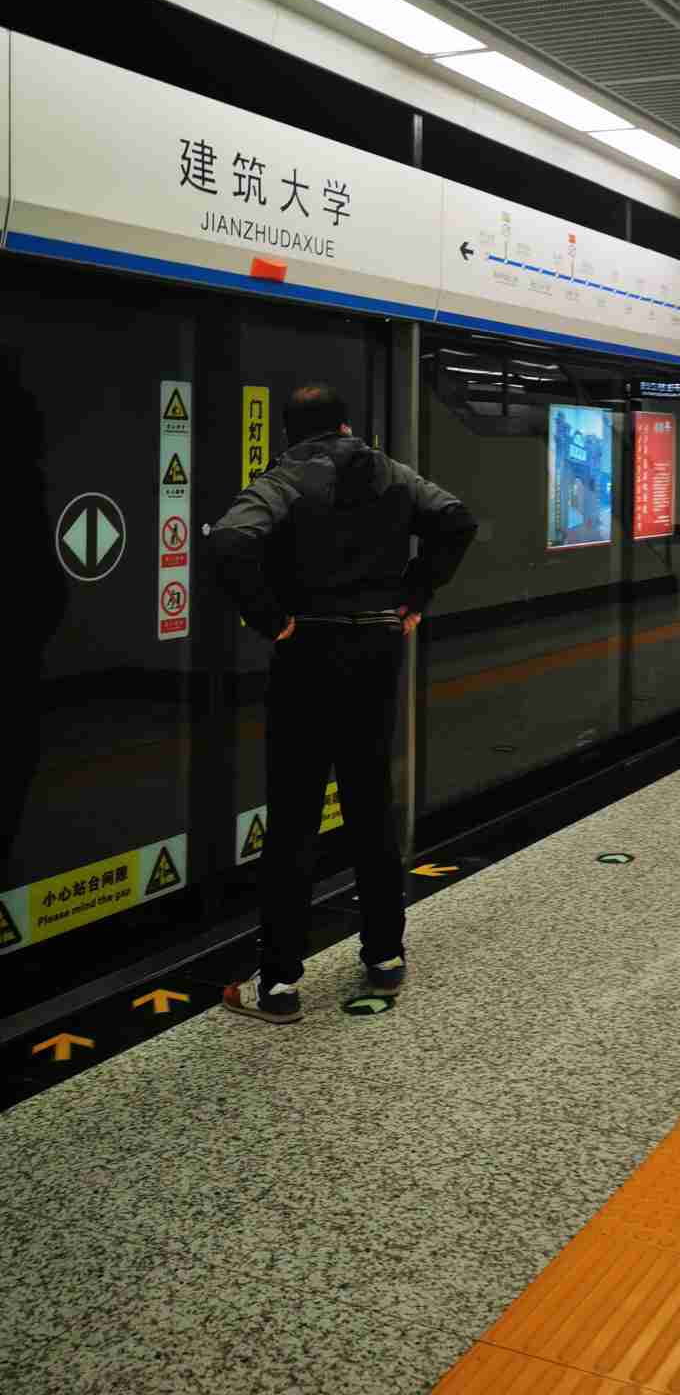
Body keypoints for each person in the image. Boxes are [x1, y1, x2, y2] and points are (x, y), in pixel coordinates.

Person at [208, 383, 478, 1025]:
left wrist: (268, 617)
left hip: (309, 650)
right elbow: (456, 519)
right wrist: (415, 594)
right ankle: (384, 954)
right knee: (370, 802)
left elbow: (231, 538)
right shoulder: (392, 473)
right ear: (347, 425)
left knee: (294, 816)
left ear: (290, 433)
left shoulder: (285, 478)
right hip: (378, 650)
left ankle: (279, 983)